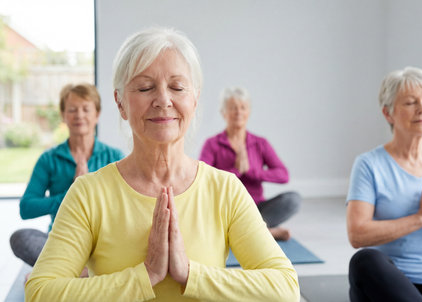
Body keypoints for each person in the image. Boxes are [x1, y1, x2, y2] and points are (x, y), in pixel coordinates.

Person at [25, 28, 300, 302]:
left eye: (177, 87)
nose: (163, 100)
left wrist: (190, 274)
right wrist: (144, 276)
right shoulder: (88, 194)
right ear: (120, 103)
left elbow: (285, 288)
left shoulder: (225, 189)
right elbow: (40, 292)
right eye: (145, 88)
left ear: (194, 99)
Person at [346, 67, 422, 302]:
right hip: (389, 285)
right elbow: (357, 234)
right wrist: (421, 217)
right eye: (411, 102)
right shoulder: (369, 164)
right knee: (364, 261)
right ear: (388, 113)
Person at [10, 83, 124, 269]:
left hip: (103, 242)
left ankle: (64, 273)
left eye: (86, 109)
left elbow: (123, 204)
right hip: (61, 242)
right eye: (72, 110)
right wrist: (71, 193)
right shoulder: (49, 159)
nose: (79, 115)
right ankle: (81, 272)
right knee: (20, 238)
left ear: (97, 114)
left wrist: (88, 192)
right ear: (63, 115)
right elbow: (26, 208)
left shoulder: (114, 157)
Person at [200, 87, 301, 240]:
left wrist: (253, 172)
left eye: (243, 107)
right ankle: (264, 233)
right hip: (226, 208)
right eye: (233, 108)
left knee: (293, 199)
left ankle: (243, 231)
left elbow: (283, 175)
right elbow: (203, 179)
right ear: (224, 113)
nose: (238, 112)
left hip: (256, 209)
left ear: (249, 112)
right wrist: (235, 171)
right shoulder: (212, 144)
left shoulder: (260, 143)